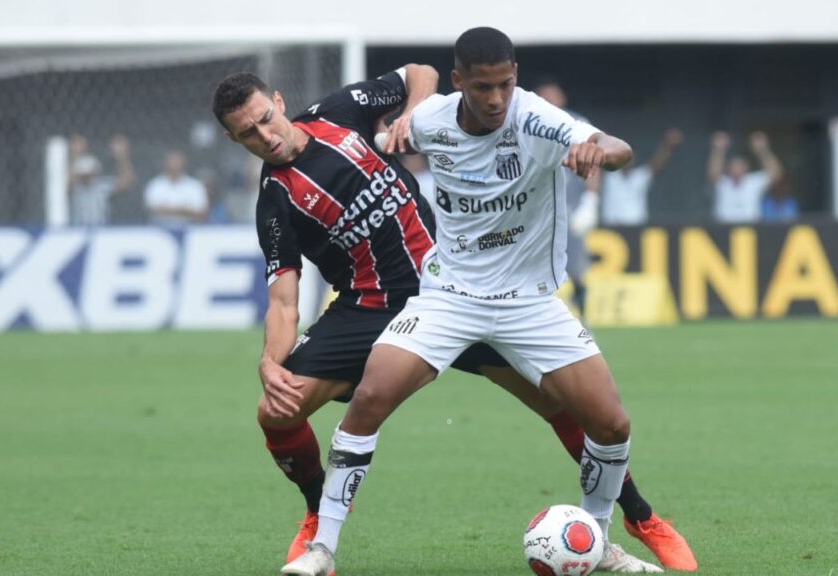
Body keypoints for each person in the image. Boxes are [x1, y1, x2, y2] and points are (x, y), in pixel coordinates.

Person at [212, 63, 692, 576]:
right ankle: (317, 517)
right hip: (368, 306)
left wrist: (412, 113)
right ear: (234, 140)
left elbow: (420, 71)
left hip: (453, 285)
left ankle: (637, 519)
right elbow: (285, 300)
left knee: (562, 402)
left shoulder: (340, 111)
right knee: (276, 412)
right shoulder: (275, 200)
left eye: (266, 119)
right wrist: (270, 361)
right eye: (248, 135)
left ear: (279, 102)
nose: (266, 136)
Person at [534, 77, 601, 318]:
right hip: (536, 208)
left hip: (569, 206)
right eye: (544, 96)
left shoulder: (577, 123)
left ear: (562, 97)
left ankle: (583, 319)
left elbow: (595, 158)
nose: (549, 101)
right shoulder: (529, 124)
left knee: (576, 268)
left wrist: (591, 201)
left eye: (552, 95)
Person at [600, 128, 683, 227]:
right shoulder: (610, 176)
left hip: (637, 229)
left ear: (635, 159)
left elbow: (657, 164)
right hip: (611, 229)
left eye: (630, 158)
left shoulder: (640, 176)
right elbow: (597, 163)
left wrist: (668, 146)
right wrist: (602, 142)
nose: (627, 161)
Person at [707, 130, 783, 224]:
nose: (737, 169)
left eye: (740, 166)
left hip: (751, 229)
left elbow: (776, 173)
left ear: (746, 168)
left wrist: (762, 150)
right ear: (728, 169)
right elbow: (713, 174)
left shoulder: (754, 181)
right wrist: (719, 150)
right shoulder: (723, 183)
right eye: (734, 166)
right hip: (724, 229)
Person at [68, 134, 135, 226]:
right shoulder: (77, 187)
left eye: (90, 174)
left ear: (95, 173)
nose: (87, 177)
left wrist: (121, 156)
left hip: (100, 227)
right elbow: (70, 181)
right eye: (84, 175)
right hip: (78, 228)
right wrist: (74, 155)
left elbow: (127, 180)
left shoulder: (101, 186)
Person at [143, 150, 209, 225]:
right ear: (165, 164)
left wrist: (169, 210)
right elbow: (153, 210)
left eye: (177, 162)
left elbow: (201, 213)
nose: (174, 165)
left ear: (183, 164)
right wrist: (185, 211)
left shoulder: (195, 186)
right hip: (160, 229)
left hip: (190, 228)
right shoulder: (155, 185)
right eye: (171, 161)